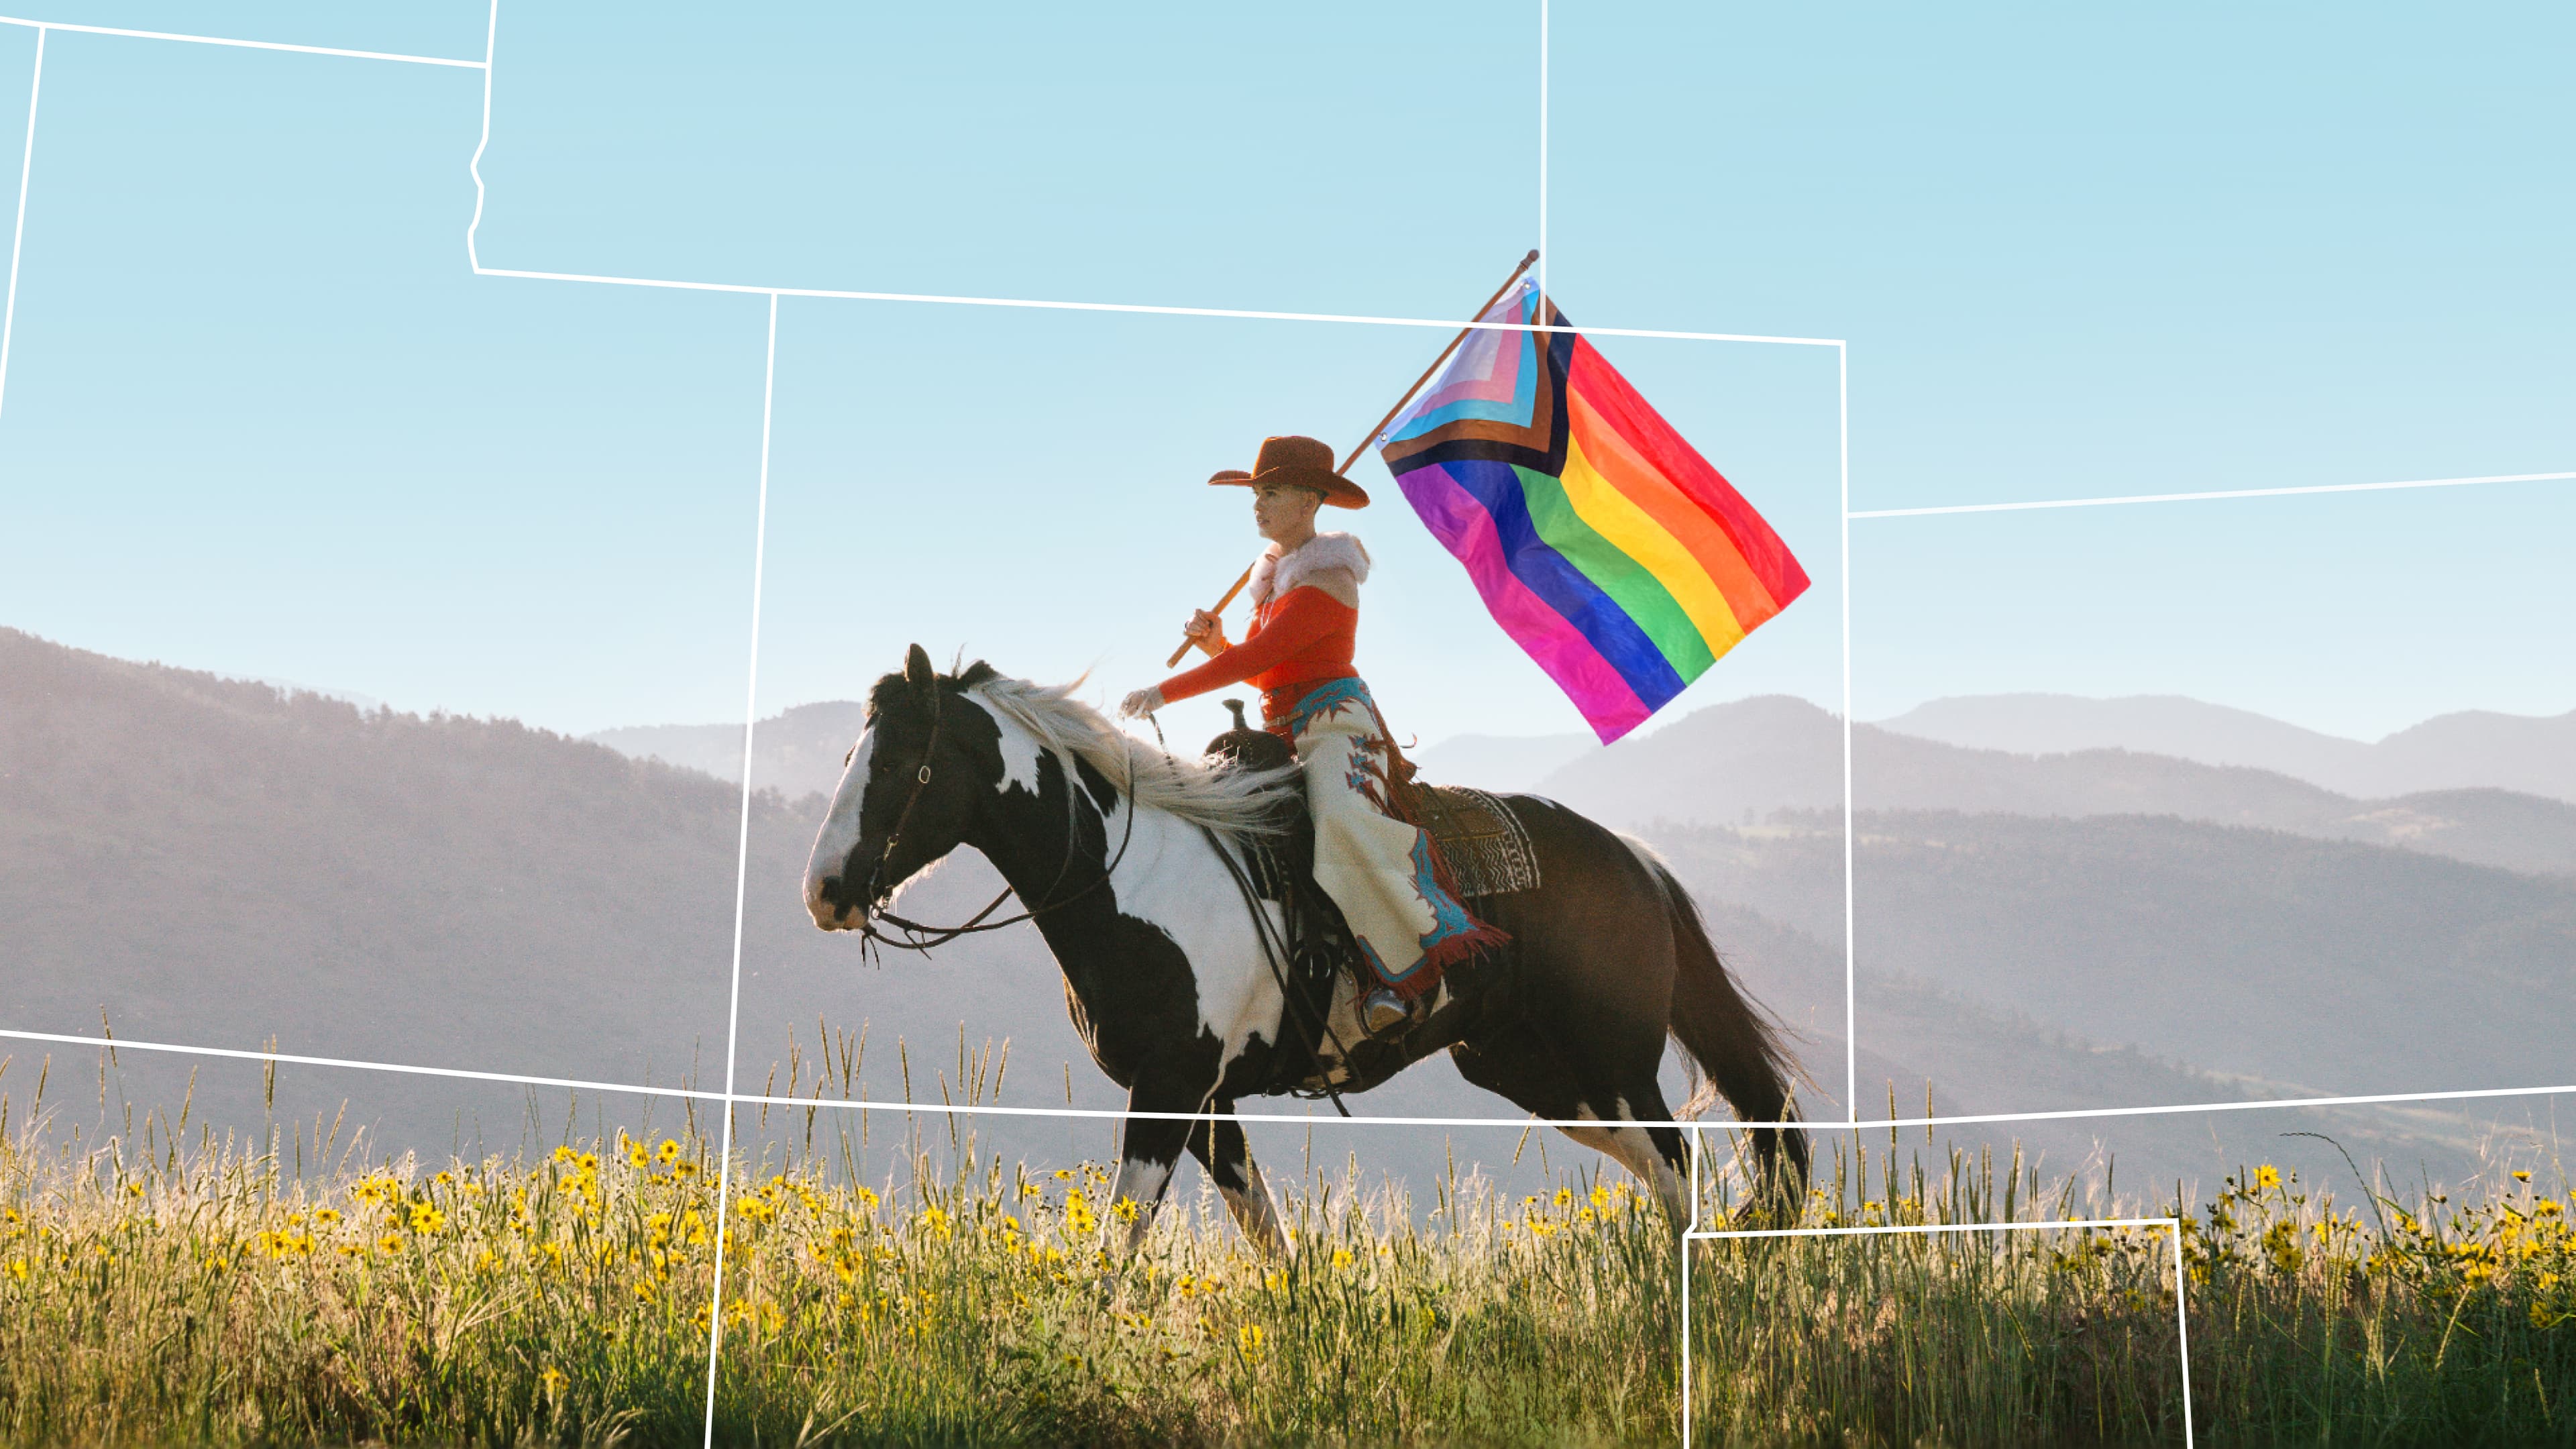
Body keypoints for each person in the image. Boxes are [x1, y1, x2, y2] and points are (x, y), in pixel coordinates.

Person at [1120, 435, 1506, 1036]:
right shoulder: (1276, 582)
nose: (1257, 505)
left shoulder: (1330, 578)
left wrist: (1166, 691)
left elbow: (1260, 660)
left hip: (1334, 729)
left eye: (1269, 492)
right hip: (1282, 731)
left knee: (1339, 824)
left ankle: (1405, 977)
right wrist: (1220, 644)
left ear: (1307, 500)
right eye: (1254, 493)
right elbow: (1269, 668)